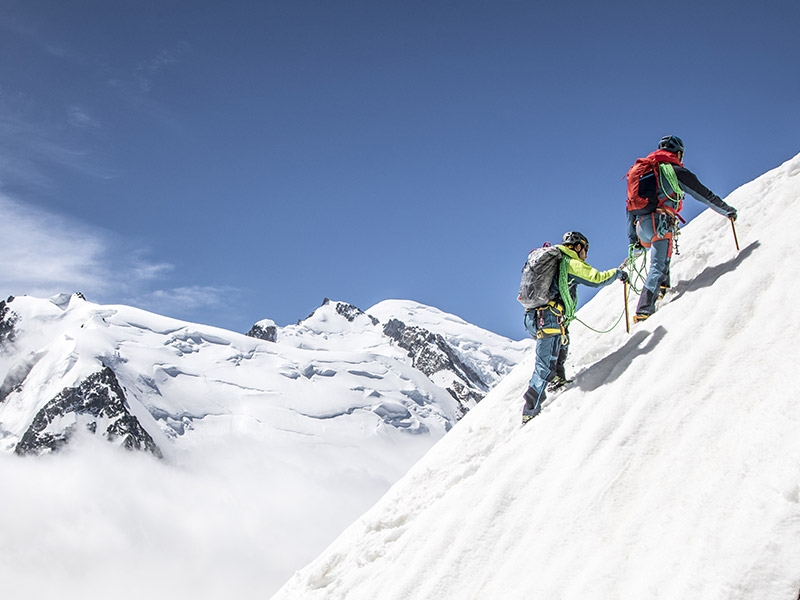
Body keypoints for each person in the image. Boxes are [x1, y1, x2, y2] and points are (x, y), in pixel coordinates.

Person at [626, 135, 738, 322]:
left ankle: (662, 289)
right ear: (678, 153)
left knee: (661, 259)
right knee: (657, 265)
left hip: (642, 225)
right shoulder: (674, 171)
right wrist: (726, 210)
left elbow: (629, 207)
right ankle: (644, 309)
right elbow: (703, 194)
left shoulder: (644, 172)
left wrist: (633, 239)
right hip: (661, 222)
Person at [521, 231, 627, 424]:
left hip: (538, 317)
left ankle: (557, 381)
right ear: (578, 247)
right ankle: (530, 410)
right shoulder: (570, 262)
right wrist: (618, 273)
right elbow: (596, 278)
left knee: (561, 347)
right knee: (544, 365)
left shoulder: (556, 261)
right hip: (550, 317)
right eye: (585, 250)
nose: (586, 255)